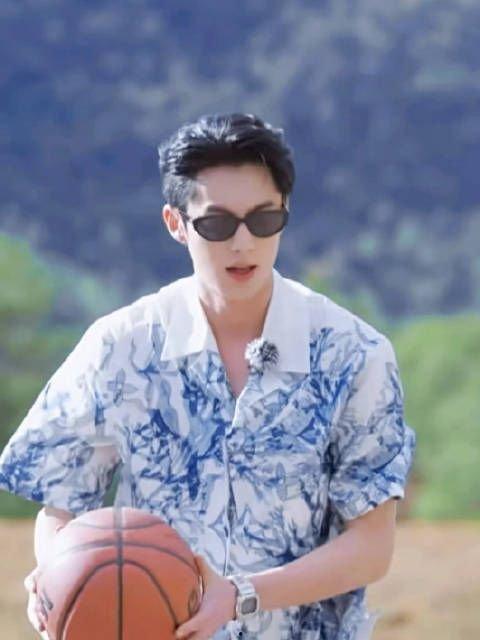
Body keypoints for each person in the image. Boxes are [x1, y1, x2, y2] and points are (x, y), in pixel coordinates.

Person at [0, 113, 416, 640]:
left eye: (263, 220)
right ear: (176, 224)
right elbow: (61, 506)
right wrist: (59, 577)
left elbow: (371, 547)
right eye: (217, 224)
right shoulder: (119, 347)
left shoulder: (354, 354)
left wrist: (240, 596)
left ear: (285, 213)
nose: (243, 243)